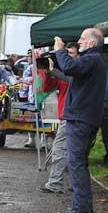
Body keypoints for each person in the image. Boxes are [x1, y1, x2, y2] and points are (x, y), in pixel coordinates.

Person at [54, 28, 106, 213]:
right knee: (79, 163)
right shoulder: (95, 61)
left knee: (75, 162)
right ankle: (84, 206)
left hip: (81, 118)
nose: (79, 41)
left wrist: (60, 50)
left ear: (93, 43)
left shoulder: (91, 60)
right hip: (87, 117)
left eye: (83, 39)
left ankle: (81, 208)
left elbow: (69, 68)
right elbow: (71, 72)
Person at [40, 43, 78, 194]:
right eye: (65, 54)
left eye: (71, 54)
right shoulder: (61, 72)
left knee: (60, 149)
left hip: (72, 115)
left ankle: (56, 183)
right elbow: (47, 88)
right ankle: (75, 184)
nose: (67, 57)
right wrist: (47, 72)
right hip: (66, 115)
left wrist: (54, 70)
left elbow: (72, 81)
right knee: (72, 152)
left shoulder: (77, 71)